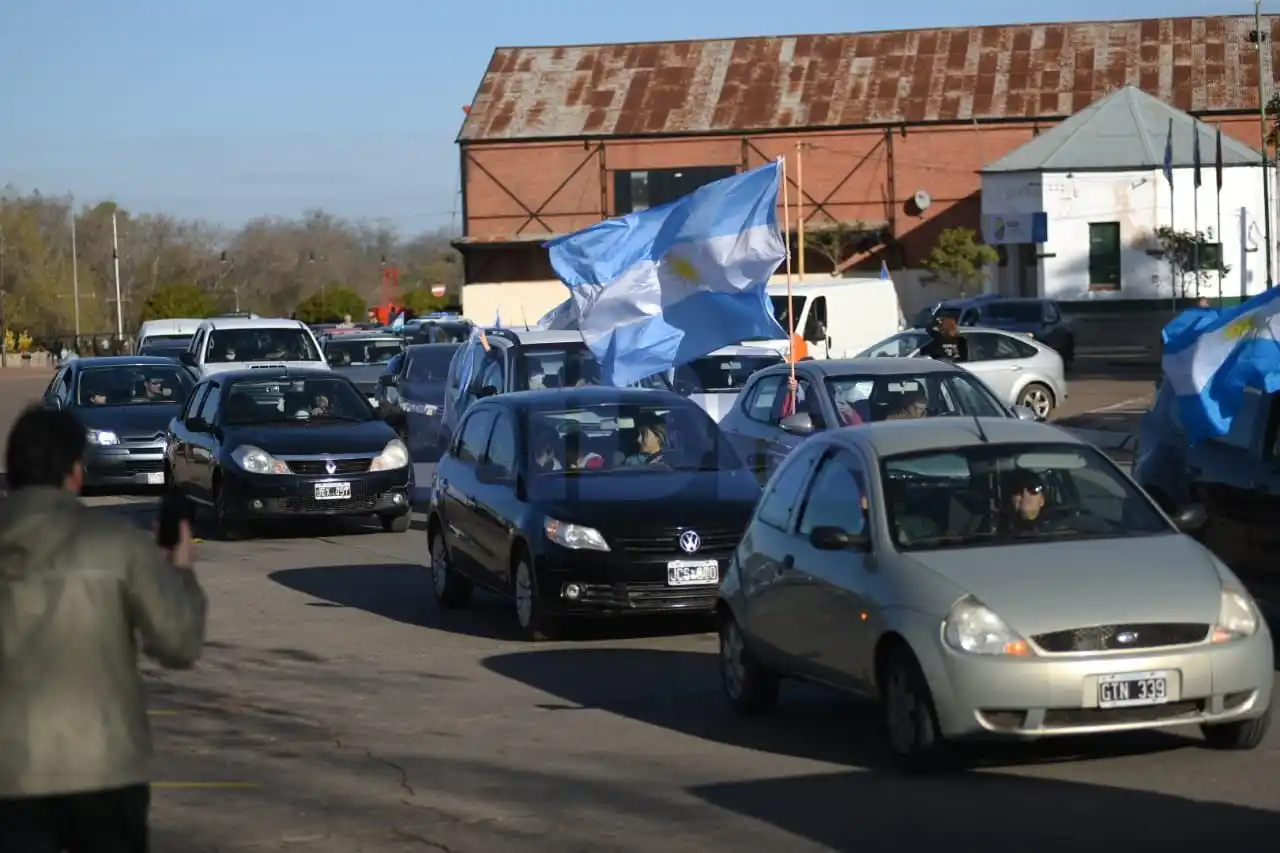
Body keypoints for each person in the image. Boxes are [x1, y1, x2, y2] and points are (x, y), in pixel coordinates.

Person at [0, 406, 207, 852]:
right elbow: (179, 643)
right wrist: (181, 573)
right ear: (75, 471)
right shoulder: (115, 544)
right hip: (104, 769)